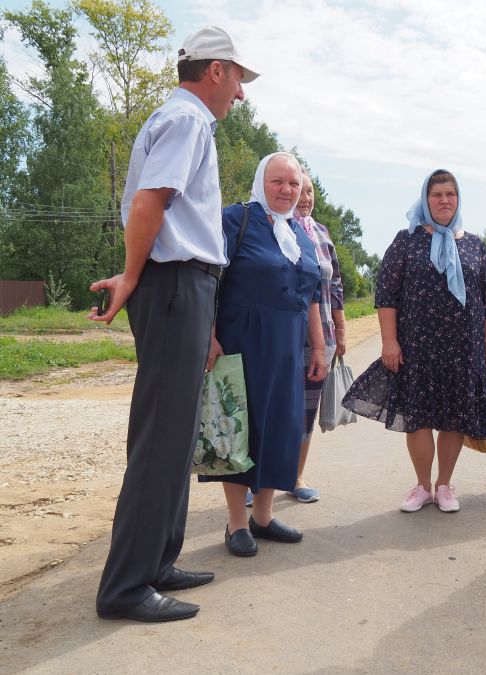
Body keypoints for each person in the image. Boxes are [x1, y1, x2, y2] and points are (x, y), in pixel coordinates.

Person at [88, 26, 259, 622]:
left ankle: (156, 561)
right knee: (162, 436)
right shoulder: (186, 121)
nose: (240, 93)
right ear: (215, 71)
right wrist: (132, 277)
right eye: (238, 78)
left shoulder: (185, 121)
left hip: (187, 286)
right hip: (172, 284)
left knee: (178, 433)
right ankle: (126, 587)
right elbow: (148, 204)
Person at [343, 169, 486, 513]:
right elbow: (387, 295)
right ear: (426, 200)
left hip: (464, 349)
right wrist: (389, 342)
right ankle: (422, 486)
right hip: (417, 346)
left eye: (450, 195)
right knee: (418, 417)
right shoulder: (407, 240)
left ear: (458, 200)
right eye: (437, 194)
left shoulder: (474, 245)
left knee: (455, 417)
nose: (444, 200)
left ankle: (444, 485)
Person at [201, 152, 327, 557]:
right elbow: (206, 280)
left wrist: (319, 345)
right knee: (241, 427)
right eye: (278, 181)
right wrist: (208, 334)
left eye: (294, 183)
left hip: (289, 346)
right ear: (261, 181)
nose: (287, 190)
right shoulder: (235, 221)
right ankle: (237, 522)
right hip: (243, 340)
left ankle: (264, 516)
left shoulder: (300, 235)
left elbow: (310, 295)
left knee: (280, 427)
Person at [290, 165, 346, 503]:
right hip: (284, 336)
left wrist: (339, 329)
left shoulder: (322, 235)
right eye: (301, 190)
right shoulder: (273, 230)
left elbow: (335, 285)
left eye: (310, 191)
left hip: (320, 336)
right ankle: (256, 480)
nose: (306, 198)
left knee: (306, 410)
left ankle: (295, 477)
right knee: (272, 406)